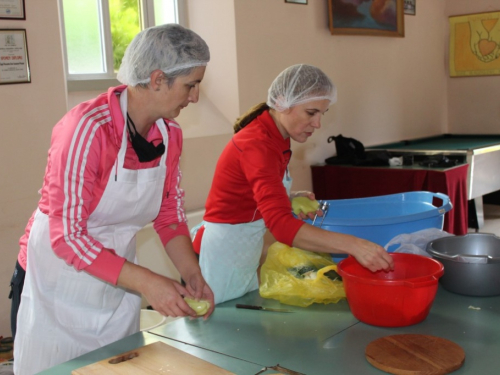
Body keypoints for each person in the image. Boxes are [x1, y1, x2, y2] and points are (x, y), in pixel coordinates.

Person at [13, 24, 214, 375]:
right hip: (55, 282)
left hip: (117, 282)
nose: (194, 97)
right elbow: (68, 236)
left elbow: (169, 214)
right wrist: (148, 282)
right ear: (157, 79)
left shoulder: (169, 134)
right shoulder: (87, 129)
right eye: (191, 85)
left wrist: (190, 272)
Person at [192, 64, 394, 304]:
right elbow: (282, 227)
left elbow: (251, 191)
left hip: (242, 252)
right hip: (220, 256)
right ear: (281, 103)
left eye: (322, 114)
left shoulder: (278, 137)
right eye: (311, 113)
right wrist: (355, 245)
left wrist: (287, 198)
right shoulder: (257, 143)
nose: (318, 124)